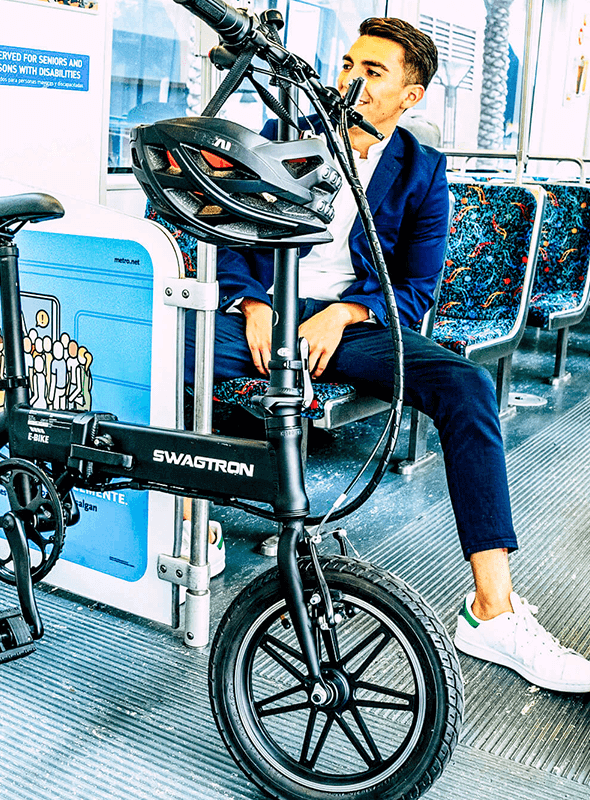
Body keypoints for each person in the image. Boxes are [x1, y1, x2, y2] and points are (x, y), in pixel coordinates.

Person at [186, 17, 590, 693]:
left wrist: (343, 314)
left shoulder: (422, 172)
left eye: (374, 72)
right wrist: (252, 302)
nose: (352, 80)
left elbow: (416, 291)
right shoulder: (285, 142)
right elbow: (232, 234)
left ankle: (492, 610)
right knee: (169, 346)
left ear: (412, 95)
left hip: (350, 323)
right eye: (349, 65)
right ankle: (179, 516)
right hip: (259, 313)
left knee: (464, 388)